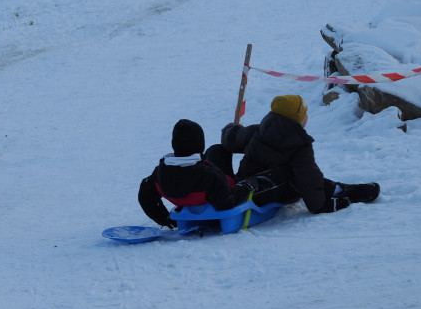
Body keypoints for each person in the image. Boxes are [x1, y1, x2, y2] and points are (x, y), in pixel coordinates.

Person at [206, 95, 380, 213]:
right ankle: (342, 191)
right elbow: (309, 180)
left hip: (245, 182)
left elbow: (230, 140)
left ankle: (341, 188)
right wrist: (321, 205)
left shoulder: (257, 131)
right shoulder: (300, 145)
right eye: (305, 113)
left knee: (216, 149)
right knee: (294, 175)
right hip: (268, 193)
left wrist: (231, 128)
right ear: (297, 118)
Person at [138, 120, 232, 229]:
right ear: (200, 145)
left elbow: (146, 196)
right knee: (217, 150)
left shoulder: (159, 173)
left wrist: (165, 218)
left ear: (174, 144)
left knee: (214, 151)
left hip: (186, 187)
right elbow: (226, 204)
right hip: (220, 189)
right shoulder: (210, 175)